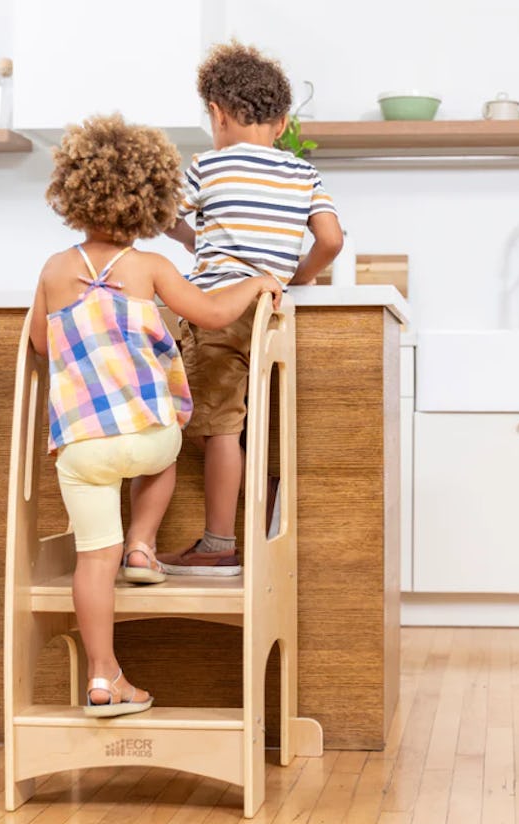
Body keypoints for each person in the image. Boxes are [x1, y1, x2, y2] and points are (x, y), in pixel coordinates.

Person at [29, 115, 282, 717]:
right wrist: (255, 283)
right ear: (152, 198)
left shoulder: (54, 269)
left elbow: (40, 345)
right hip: (147, 435)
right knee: (161, 458)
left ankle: (102, 676)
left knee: (94, 560)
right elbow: (215, 315)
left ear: (72, 192)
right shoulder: (150, 268)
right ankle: (143, 544)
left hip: (83, 446)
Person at [159, 41, 344, 576]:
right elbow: (330, 239)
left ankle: (218, 542)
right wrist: (295, 277)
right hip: (272, 313)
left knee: (220, 425)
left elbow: (160, 216)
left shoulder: (208, 166)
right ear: (283, 122)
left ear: (216, 114)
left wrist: (189, 238)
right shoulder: (303, 175)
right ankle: (263, 526)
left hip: (217, 306)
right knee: (249, 421)